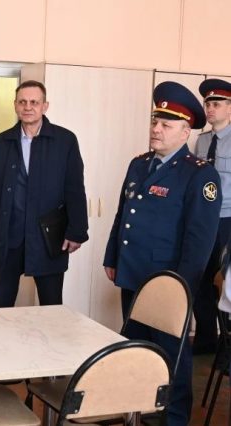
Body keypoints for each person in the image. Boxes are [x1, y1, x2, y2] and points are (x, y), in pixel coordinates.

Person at [103, 81, 221, 425]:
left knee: (172, 356)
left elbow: (200, 241)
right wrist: (112, 257)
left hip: (168, 283)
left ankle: (174, 418)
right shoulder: (139, 164)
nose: (156, 129)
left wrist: (181, 288)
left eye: (166, 125)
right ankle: (138, 411)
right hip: (133, 274)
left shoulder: (199, 174)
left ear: (185, 132)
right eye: (155, 122)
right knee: (136, 349)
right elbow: (123, 215)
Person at [0, 80, 88, 308]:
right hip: (8, 235)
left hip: (48, 237)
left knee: (51, 306)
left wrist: (77, 230)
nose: (28, 107)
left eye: (34, 102)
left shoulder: (65, 140)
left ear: (45, 106)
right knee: (0, 307)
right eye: (22, 102)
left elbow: (75, 188)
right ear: (15, 105)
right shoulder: (0, 143)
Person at [192, 78, 231, 354]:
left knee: (227, 282)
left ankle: (227, 347)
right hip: (204, 219)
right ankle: (206, 340)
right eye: (208, 104)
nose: (210, 109)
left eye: (216, 104)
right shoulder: (202, 140)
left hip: (228, 219)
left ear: (230, 108)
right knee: (201, 279)